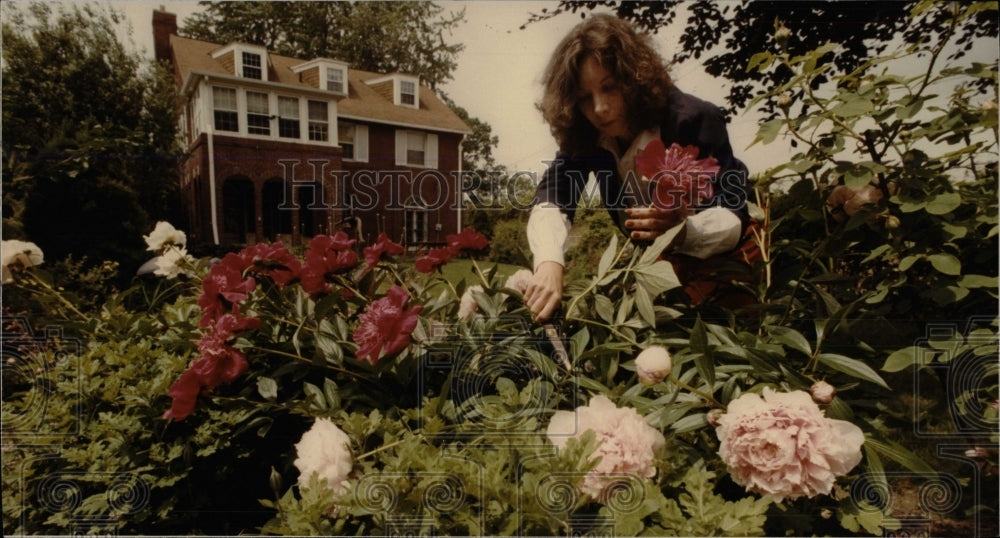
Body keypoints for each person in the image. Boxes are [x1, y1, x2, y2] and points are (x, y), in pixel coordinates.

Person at [524, 14, 758, 322]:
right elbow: (552, 198)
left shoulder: (692, 118)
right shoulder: (587, 137)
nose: (599, 108)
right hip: (663, 266)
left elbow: (732, 212)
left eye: (609, 88)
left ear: (633, 78)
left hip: (736, 259)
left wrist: (684, 231)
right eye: (584, 98)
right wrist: (549, 262)